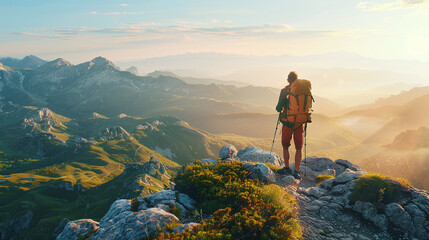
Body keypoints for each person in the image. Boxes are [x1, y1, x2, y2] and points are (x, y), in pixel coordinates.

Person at [275, 71, 304, 180]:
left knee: (286, 146)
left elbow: (278, 108)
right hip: (300, 123)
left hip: (287, 123)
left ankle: (287, 168)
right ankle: (296, 172)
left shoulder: (285, 91)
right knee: (298, 148)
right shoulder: (303, 91)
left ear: (288, 80)